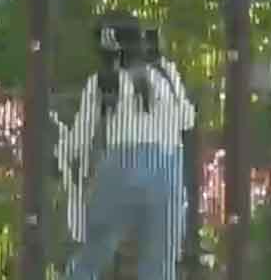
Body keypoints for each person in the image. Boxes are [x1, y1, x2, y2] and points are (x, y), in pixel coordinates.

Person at [63, 14, 195, 280]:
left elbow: (80, 140)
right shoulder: (166, 73)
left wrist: (61, 153)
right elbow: (188, 119)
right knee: (160, 263)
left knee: (95, 253)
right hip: (168, 168)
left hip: (122, 165)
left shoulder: (102, 82)